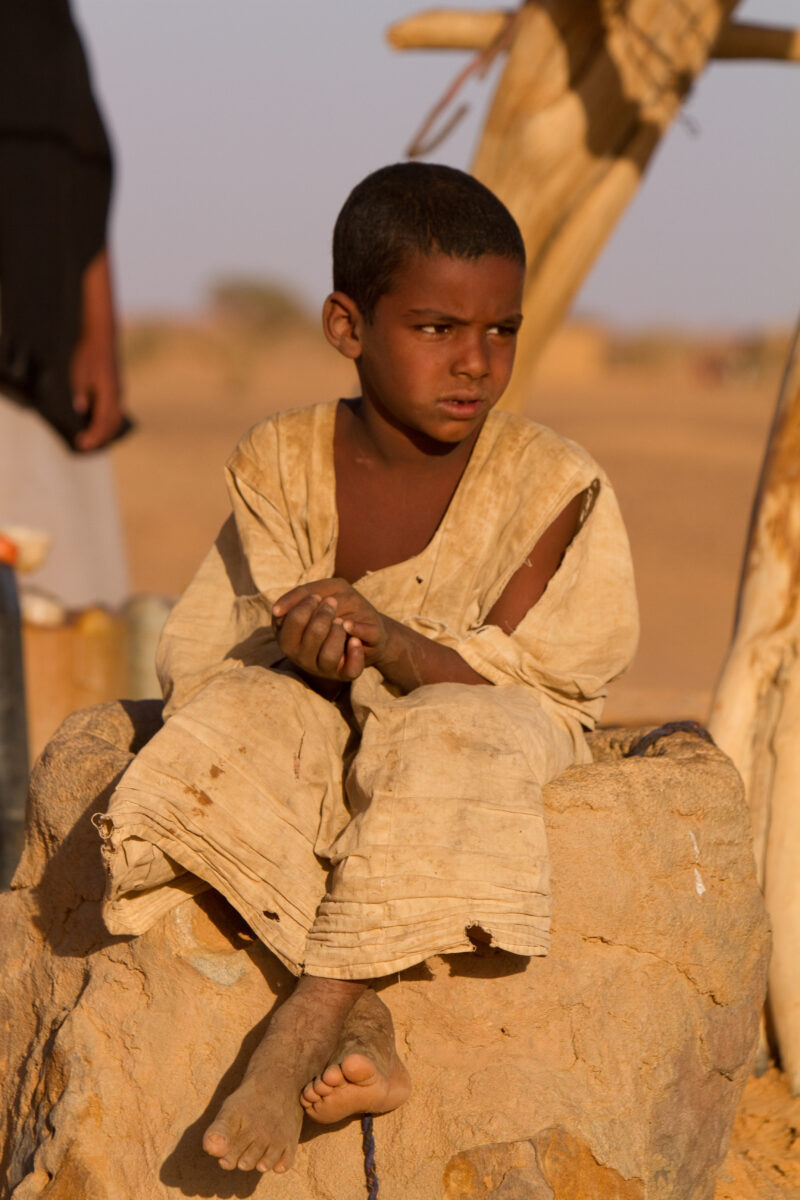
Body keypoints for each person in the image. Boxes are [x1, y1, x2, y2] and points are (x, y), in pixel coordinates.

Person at [94, 163, 639, 1175]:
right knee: (223, 733)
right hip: (318, 711)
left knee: (441, 734)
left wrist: (388, 641)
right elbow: (225, 645)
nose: (475, 362)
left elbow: (522, 684)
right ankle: (365, 1013)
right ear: (347, 327)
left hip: (481, 722)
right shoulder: (279, 462)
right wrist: (303, 656)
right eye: (436, 330)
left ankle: (305, 1019)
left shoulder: (546, 485)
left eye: (500, 331)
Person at [0, 0, 131, 608]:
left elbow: (77, 157)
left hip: (39, 340)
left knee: (63, 609)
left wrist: (98, 326)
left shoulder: (36, 20)